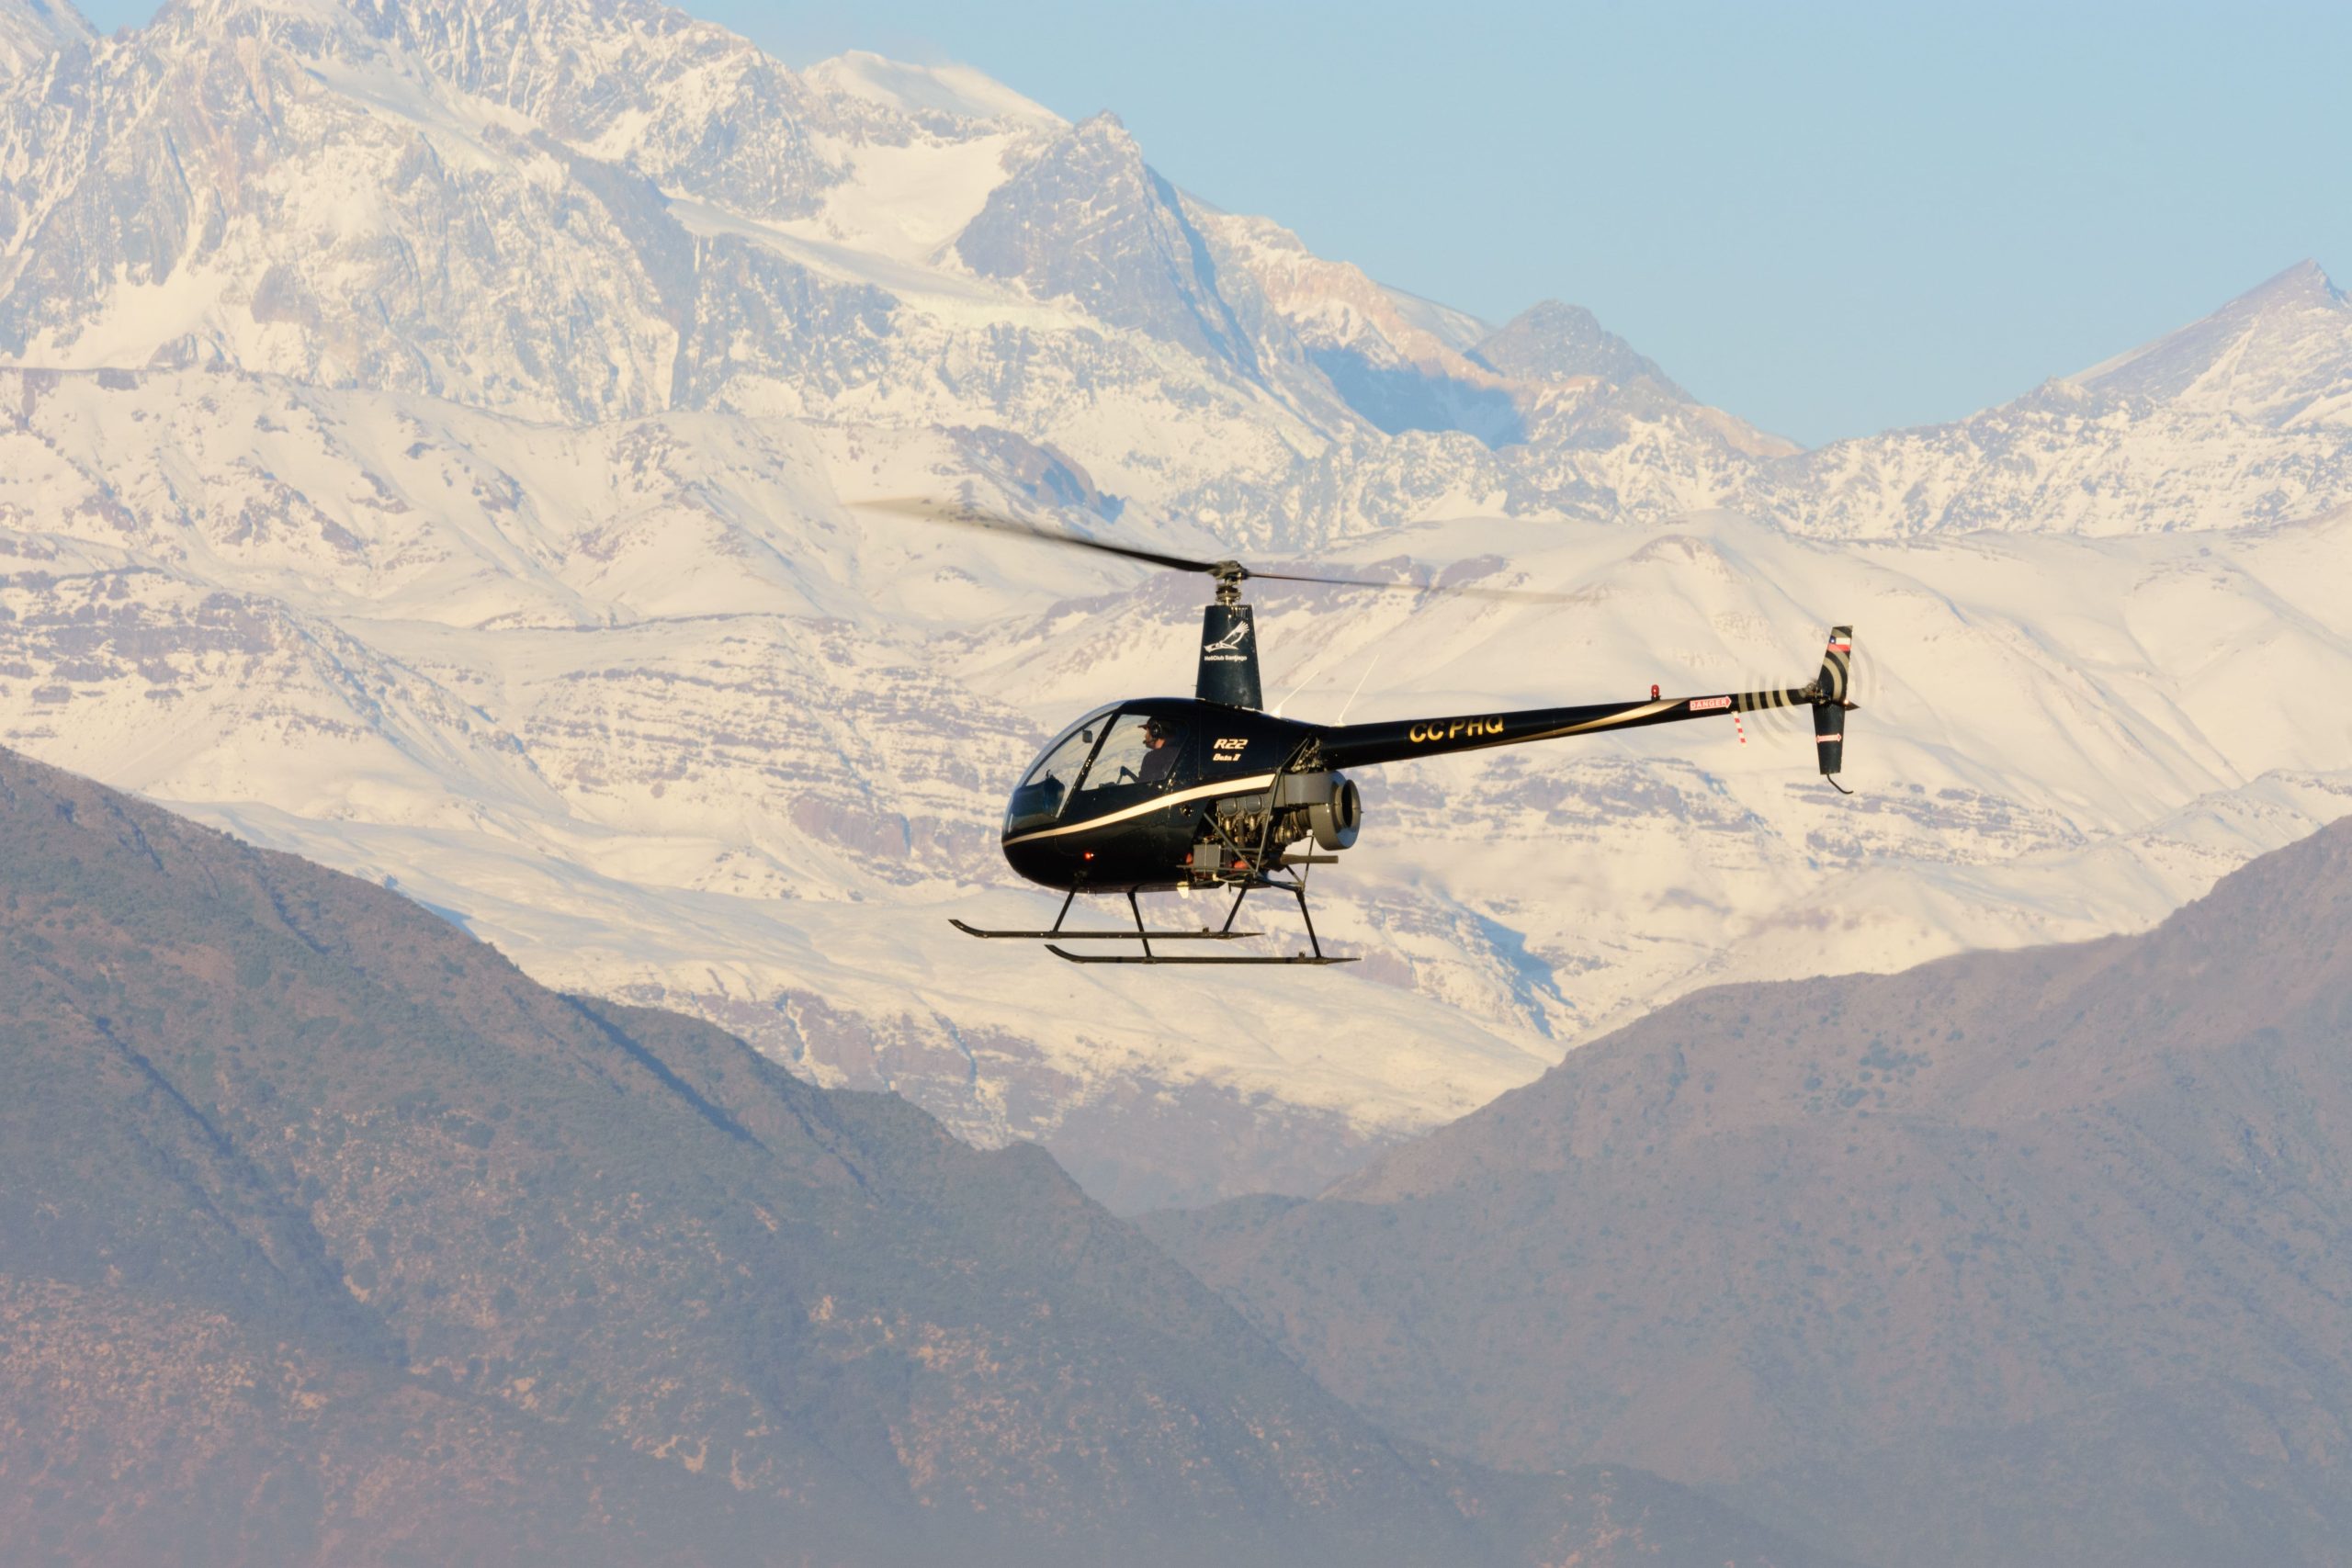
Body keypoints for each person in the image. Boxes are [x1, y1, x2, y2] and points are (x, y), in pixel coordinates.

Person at [1136, 717, 1179, 784]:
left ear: (1155, 732)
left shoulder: (1151, 758)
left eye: (1147, 732)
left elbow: (1141, 789)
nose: (1145, 736)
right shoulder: (1179, 750)